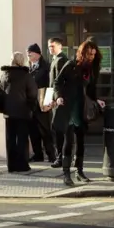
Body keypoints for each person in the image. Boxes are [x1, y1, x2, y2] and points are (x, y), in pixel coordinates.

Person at [53, 41, 105, 186]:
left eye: (94, 54)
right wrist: (58, 97)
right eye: (89, 54)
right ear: (82, 53)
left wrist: (97, 100)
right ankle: (66, 174)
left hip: (82, 109)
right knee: (68, 142)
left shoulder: (92, 69)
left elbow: (91, 90)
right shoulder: (71, 65)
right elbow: (57, 82)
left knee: (81, 142)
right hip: (68, 107)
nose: (91, 57)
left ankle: (79, 171)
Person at [0, 52, 38, 172]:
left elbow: (0, 91)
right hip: (23, 111)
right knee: (22, 139)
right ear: (21, 61)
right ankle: (22, 165)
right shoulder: (26, 75)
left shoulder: (5, 74)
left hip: (8, 112)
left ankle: (11, 165)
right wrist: (31, 107)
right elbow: (33, 93)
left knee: (10, 139)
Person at [27, 43, 56, 163]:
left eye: (30, 53)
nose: (28, 55)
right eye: (27, 53)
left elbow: (51, 85)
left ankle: (51, 155)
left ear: (38, 54)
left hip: (43, 102)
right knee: (33, 131)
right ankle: (37, 154)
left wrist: (48, 102)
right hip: (31, 104)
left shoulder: (46, 67)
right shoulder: (28, 67)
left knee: (45, 130)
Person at [47, 37, 69, 169]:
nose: (50, 48)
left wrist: (56, 98)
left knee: (59, 130)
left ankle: (61, 157)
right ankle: (60, 156)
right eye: (49, 46)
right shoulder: (55, 60)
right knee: (56, 129)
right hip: (54, 99)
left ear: (60, 46)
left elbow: (58, 82)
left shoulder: (61, 60)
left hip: (59, 101)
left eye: (53, 46)